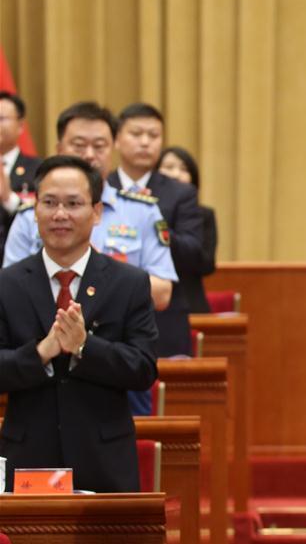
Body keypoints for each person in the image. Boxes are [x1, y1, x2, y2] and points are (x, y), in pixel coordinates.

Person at [0, 155, 157, 492]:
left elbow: (143, 369)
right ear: (34, 210)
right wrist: (40, 352)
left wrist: (84, 347)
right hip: (28, 458)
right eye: (50, 203)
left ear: (97, 212)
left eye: (73, 204)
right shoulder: (7, 283)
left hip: (104, 460)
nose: (60, 214)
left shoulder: (128, 283)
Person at [3, 102, 176, 312]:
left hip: (116, 336)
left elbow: (162, 294)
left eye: (99, 145)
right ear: (59, 149)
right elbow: (10, 290)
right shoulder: (31, 215)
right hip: (41, 335)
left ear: (113, 147)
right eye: (79, 145)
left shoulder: (142, 212)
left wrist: (95, 270)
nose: (89, 154)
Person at [107, 103, 204, 356]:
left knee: (165, 394)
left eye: (153, 135)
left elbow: (194, 252)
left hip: (165, 316)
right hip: (106, 315)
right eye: (136, 134)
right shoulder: (100, 189)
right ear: (117, 140)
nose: (145, 142)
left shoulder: (180, 192)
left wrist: (149, 226)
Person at [157, 146, 217, 313]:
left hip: (189, 300)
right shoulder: (140, 211)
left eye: (184, 169)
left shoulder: (204, 215)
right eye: (168, 167)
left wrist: (163, 230)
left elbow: (207, 265)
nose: (176, 174)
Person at [0, 91, 42, 261]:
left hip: (19, 261)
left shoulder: (37, 168)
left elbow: (43, 215)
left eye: (2, 118)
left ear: (20, 125)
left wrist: (9, 199)